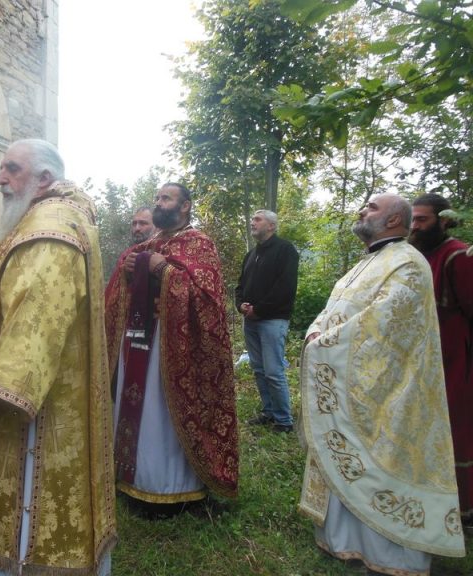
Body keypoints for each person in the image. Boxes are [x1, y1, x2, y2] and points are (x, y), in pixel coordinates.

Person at [0, 139, 116, 575]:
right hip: (42, 385)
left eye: (12, 169)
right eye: (2, 168)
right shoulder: (41, 217)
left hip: (42, 401)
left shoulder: (51, 226)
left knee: (29, 499)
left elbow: (39, 320)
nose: (1, 178)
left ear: (43, 180)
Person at [300, 193, 465, 575]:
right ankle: (342, 539)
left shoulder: (407, 262)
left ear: (395, 220)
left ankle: (389, 555)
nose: (361, 210)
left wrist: (325, 343)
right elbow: (331, 310)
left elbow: (385, 324)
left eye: (372, 207)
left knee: (383, 458)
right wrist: (316, 333)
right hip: (351, 385)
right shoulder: (367, 263)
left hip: (390, 393)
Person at [105, 182, 238, 514]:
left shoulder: (200, 245)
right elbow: (118, 292)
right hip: (137, 342)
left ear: (185, 206)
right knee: (137, 410)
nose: (159, 203)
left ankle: (172, 490)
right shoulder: (147, 244)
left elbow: (207, 303)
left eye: (166, 198)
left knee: (162, 414)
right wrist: (128, 271)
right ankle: (131, 478)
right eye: (157, 198)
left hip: (174, 350)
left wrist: (163, 270)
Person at [409, 193, 473, 522]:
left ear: (444, 220)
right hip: (420, 361)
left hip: (452, 359)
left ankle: (462, 511)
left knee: (455, 431)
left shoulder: (457, 255)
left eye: (422, 219)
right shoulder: (414, 256)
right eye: (412, 220)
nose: (415, 226)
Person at [235, 210, 299, 433]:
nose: (252, 222)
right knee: (259, 369)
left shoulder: (285, 250)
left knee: (273, 371)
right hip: (250, 321)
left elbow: (285, 287)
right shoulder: (251, 254)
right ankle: (269, 411)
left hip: (273, 320)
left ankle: (284, 420)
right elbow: (240, 286)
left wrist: (259, 310)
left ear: (271, 226)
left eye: (257, 219)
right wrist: (240, 304)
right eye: (252, 219)